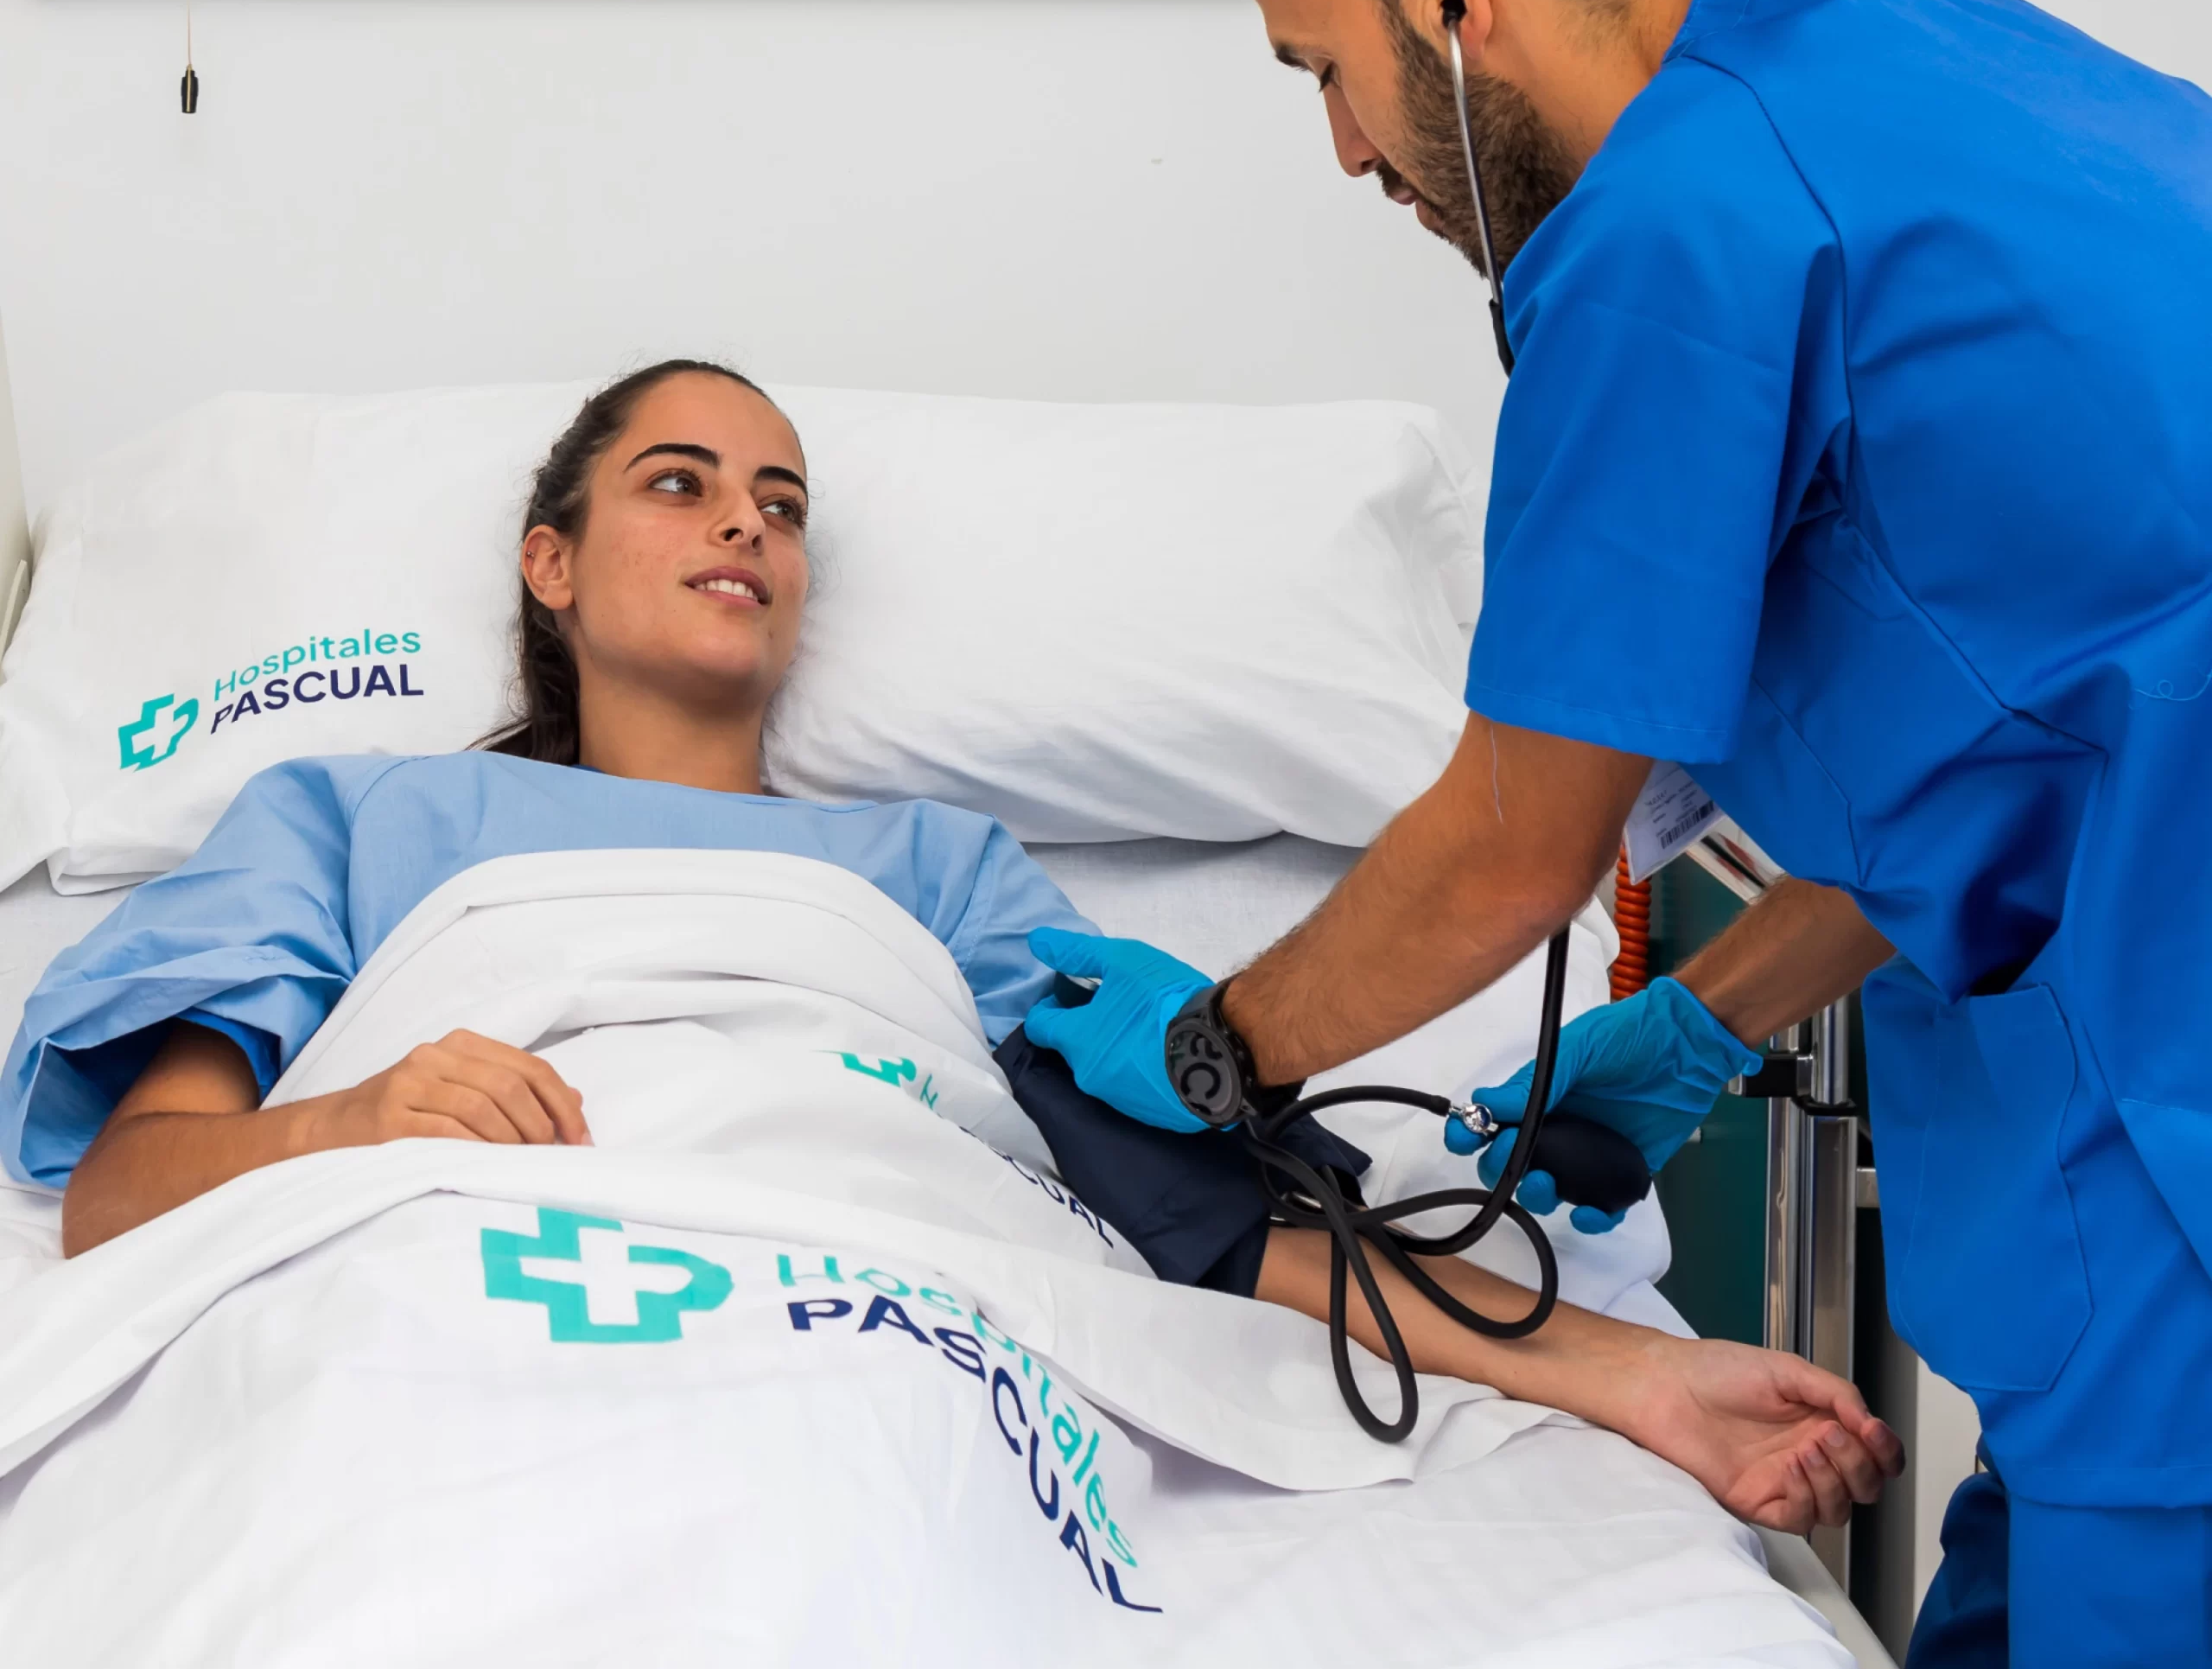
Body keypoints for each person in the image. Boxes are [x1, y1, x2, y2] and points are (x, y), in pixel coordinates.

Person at [1017, 0, 2212, 1667]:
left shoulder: (1667, 241)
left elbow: (1514, 845)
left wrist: (1220, 1051)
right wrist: (1699, 1025)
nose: (1343, 150)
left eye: (1323, 69)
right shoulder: (1951, 71)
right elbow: (2022, 741)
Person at [0, 358, 1896, 1536]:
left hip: (862, 1295)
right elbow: (129, 1194)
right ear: (550, 564)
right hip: (446, 1268)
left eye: (782, 506)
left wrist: (1631, 1374)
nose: (746, 525)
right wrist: (359, 1125)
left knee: (864, 1490)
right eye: (679, 482)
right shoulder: (355, 820)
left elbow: (1181, 1210)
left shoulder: (931, 867)